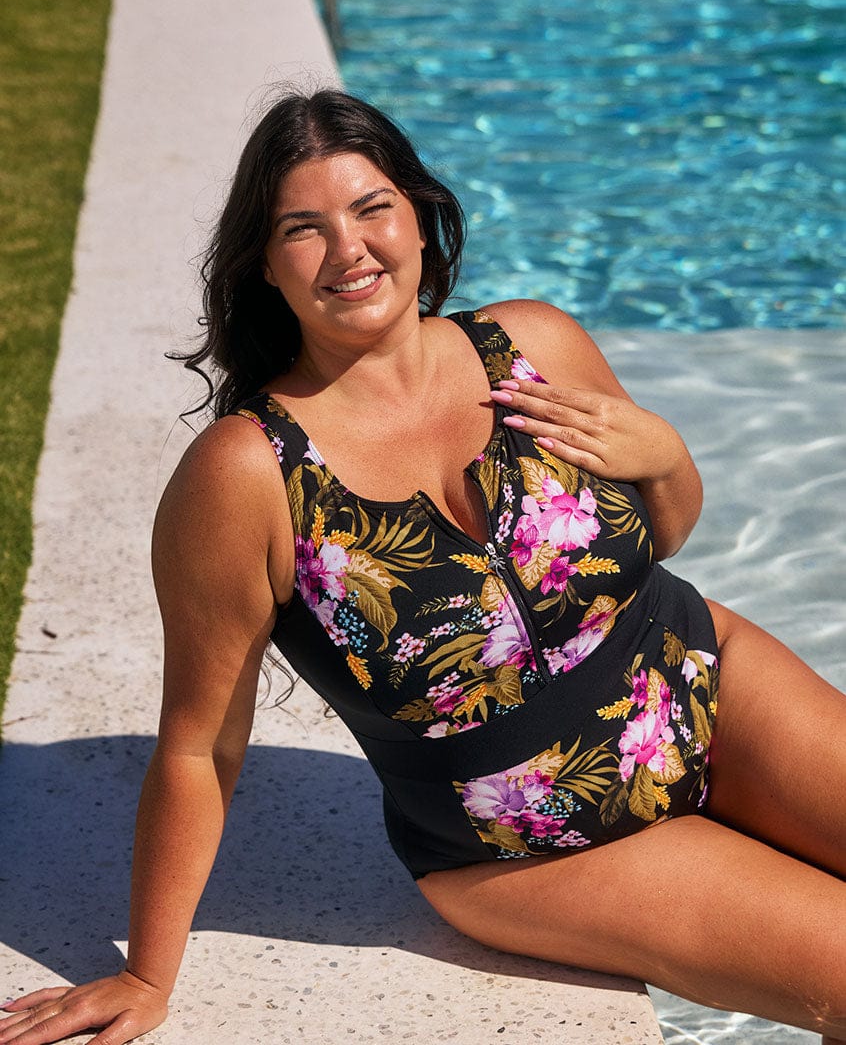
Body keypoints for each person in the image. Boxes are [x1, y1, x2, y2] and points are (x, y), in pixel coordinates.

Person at [1, 89, 844, 1045]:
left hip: (705, 679)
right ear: (265, 266)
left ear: (418, 216)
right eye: (303, 229)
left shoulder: (533, 346)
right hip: (523, 844)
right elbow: (201, 747)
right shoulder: (248, 477)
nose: (350, 250)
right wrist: (148, 974)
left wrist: (667, 454)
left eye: (371, 209)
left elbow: (667, 535)